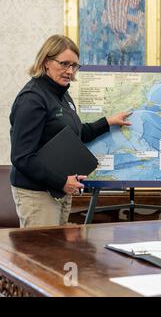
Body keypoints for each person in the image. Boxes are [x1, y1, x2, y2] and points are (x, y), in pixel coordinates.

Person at [9, 35, 132, 228]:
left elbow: (76, 134)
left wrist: (108, 122)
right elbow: (22, 157)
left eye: (74, 66)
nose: (70, 71)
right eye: (64, 64)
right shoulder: (32, 99)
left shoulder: (62, 94)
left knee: (56, 256)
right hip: (39, 193)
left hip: (60, 189)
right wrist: (61, 182)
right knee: (43, 254)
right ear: (46, 62)